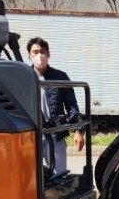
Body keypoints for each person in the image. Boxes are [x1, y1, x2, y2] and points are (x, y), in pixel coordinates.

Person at [27, 36, 84, 174]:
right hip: (30, 136)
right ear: (29, 56)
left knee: (59, 175)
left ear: (48, 54)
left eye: (42, 52)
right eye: (35, 52)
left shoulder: (60, 77)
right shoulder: (24, 78)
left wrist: (78, 130)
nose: (39, 56)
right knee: (30, 176)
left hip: (54, 134)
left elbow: (71, 105)